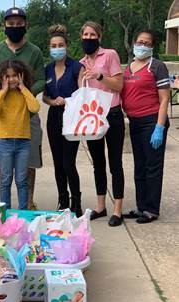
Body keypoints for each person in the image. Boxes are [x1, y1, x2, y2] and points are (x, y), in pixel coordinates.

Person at [0, 7, 45, 210]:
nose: (15, 27)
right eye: (11, 24)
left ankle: (27, 203)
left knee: (29, 162)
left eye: (19, 24)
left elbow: (42, 80)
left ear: (25, 25)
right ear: (5, 25)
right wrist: (1, 93)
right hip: (4, 118)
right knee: (5, 168)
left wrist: (24, 91)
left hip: (28, 115)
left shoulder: (34, 51)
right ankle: (6, 207)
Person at [121, 29, 170, 224]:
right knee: (139, 166)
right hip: (134, 122)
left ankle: (151, 209)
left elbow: (165, 98)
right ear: (134, 43)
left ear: (152, 46)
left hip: (152, 121)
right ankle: (141, 206)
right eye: (140, 41)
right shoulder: (129, 67)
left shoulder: (157, 66)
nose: (143, 45)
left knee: (153, 166)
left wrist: (160, 126)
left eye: (147, 43)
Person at [79, 21, 125, 227]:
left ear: (99, 36)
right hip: (93, 117)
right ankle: (100, 206)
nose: (88, 38)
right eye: (85, 34)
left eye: (92, 34)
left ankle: (117, 209)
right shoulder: (81, 62)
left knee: (115, 162)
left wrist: (99, 75)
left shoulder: (110, 55)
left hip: (112, 114)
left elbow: (119, 85)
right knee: (98, 162)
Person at [43, 25, 85, 217]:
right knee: (58, 163)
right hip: (54, 118)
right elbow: (44, 97)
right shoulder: (48, 69)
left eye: (61, 45)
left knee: (69, 163)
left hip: (71, 119)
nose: (57, 48)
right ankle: (63, 200)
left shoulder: (77, 67)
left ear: (67, 46)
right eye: (54, 45)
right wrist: (52, 100)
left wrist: (68, 101)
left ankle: (76, 201)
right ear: (49, 48)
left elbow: (82, 94)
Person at [0, 60, 40, 210]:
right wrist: (3, 91)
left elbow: (35, 107)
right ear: (1, 78)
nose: (11, 79)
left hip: (23, 142)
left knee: (22, 180)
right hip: (5, 142)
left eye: (15, 76)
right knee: (5, 181)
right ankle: (6, 212)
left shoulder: (24, 93)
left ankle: (23, 211)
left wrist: (23, 88)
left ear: (22, 76)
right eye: (7, 76)